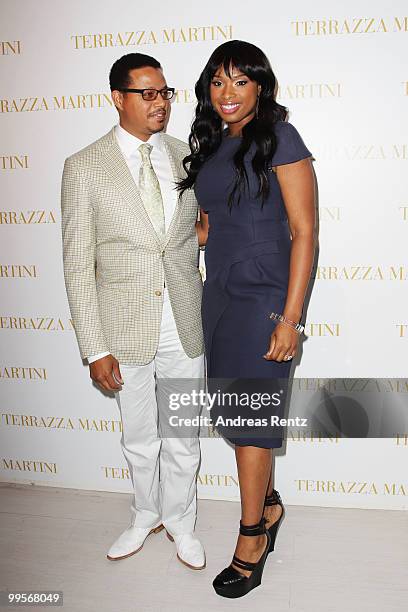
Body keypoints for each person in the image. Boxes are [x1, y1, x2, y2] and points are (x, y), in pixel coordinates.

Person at [178, 40, 316, 597]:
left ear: (261, 85)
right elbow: (213, 226)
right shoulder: (213, 144)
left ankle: (252, 534)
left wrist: (291, 318)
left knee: (249, 421)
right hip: (220, 297)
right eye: (217, 81)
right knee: (239, 415)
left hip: (264, 298)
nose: (226, 93)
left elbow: (304, 231)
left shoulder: (281, 138)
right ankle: (272, 506)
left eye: (238, 81)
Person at [61, 53, 205, 570]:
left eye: (165, 93)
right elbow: (77, 265)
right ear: (117, 98)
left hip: (185, 323)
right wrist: (94, 348)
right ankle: (145, 514)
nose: (160, 103)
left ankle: (182, 521)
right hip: (124, 329)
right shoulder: (82, 167)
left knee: (183, 436)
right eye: (147, 93)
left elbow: (189, 234)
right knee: (140, 437)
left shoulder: (187, 155)